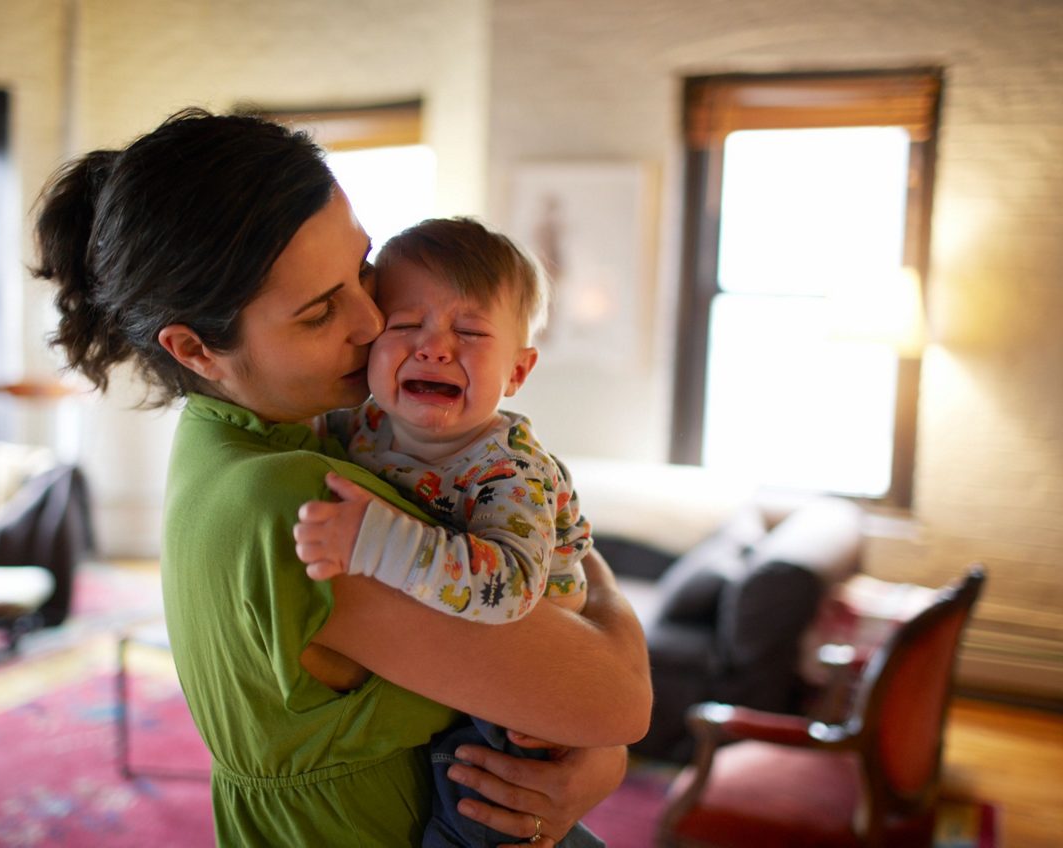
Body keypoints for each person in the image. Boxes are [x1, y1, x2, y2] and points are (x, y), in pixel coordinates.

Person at [33, 107, 652, 847]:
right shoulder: (302, 505)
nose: (372, 322)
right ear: (196, 348)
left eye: (361, 270)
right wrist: (603, 640)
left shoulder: (268, 437)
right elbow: (617, 700)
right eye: (322, 310)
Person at [293, 217, 602, 846]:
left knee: (482, 812)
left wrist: (375, 541)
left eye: (470, 331)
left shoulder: (510, 471)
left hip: (517, 684)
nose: (435, 347)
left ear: (517, 372)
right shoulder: (361, 425)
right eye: (405, 325)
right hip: (437, 654)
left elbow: (510, 590)